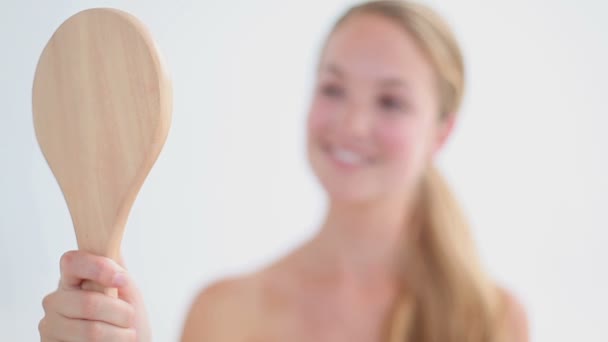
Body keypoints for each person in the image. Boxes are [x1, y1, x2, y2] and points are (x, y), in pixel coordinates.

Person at [38, 1, 529, 341]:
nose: (352, 123)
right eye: (333, 89)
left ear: (441, 133)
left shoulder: (490, 321)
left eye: (391, 101)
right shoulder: (221, 312)